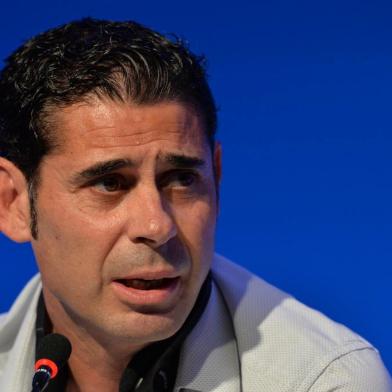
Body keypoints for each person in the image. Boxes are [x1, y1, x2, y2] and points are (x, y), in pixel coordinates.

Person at [0, 18, 390, 392]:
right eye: (110, 183)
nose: (156, 225)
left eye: (182, 179)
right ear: (13, 203)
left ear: (216, 179)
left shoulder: (323, 381)